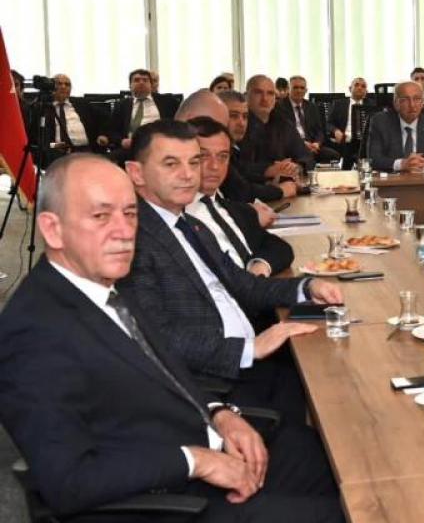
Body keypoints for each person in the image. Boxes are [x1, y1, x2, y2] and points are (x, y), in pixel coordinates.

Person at [0, 154, 342, 521]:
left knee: (335, 456)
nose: (124, 231)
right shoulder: (33, 331)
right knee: (350, 512)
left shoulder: (102, 285)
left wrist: (220, 414)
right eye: (100, 216)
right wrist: (195, 461)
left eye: (130, 214)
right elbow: (68, 482)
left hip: (195, 445)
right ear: (52, 229)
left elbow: (168, 372)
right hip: (160, 500)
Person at [122, 120, 343, 420]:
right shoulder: (131, 240)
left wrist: (306, 287)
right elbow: (156, 336)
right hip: (212, 386)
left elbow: (245, 285)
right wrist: (249, 349)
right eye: (171, 164)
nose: (188, 174)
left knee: (335, 384)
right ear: (136, 173)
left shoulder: (190, 224)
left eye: (193, 162)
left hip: (248, 362)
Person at [187, 116, 294, 275]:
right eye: (203, 156)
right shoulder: (176, 216)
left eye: (223, 156)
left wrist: (259, 266)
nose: (215, 166)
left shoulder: (236, 210)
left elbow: (280, 248)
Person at [216, 90, 295, 204]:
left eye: (245, 117)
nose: (241, 123)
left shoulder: (233, 148)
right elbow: (241, 192)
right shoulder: (215, 151)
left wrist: (271, 180)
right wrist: (281, 190)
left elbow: (244, 175)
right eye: (233, 116)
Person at [366, 80, 424, 173]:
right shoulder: (380, 122)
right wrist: (402, 164)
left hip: (423, 177)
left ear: (423, 103)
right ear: (396, 103)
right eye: (405, 99)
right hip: (393, 179)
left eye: (417, 99)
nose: (412, 105)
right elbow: (374, 158)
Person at [240, 74, 311, 182]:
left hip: (285, 184)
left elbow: (306, 156)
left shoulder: (283, 123)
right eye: (258, 92)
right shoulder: (239, 125)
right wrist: (268, 169)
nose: (265, 99)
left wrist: (297, 167)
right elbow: (236, 166)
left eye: (270, 93)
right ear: (246, 96)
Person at [100, 68, 176, 150]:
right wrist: (121, 141)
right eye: (136, 80)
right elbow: (112, 130)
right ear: (130, 86)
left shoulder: (167, 102)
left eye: (145, 80)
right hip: (130, 147)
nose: (141, 82)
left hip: (160, 146)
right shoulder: (122, 105)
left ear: (151, 85)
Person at [43, 73, 100, 159]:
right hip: (58, 152)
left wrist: (103, 135)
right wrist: (60, 145)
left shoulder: (82, 104)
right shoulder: (44, 108)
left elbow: (104, 119)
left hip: (86, 150)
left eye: (67, 84)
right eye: (59, 84)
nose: (63, 87)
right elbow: (42, 141)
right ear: (51, 87)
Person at [284, 76, 339, 163]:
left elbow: (319, 130)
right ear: (288, 89)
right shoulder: (280, 107)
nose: (299, 90)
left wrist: (317, 143)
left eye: (302, 88)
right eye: (295, 87)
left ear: (306, 90)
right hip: (291, 147)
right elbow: (283, 133)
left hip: (312, 145)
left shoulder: (312, 107)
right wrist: (302, 143)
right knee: (307, 159)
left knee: (333, 155)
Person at [327, 76, 372, 166]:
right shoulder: (339, 104)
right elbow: (328, 123)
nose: (360, 88)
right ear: (350, 88)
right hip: (345, 139)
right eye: (356, 85)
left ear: (366, 92)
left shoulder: (371, 105)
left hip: (365, 141)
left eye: (363, 86)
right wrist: (336, 131)